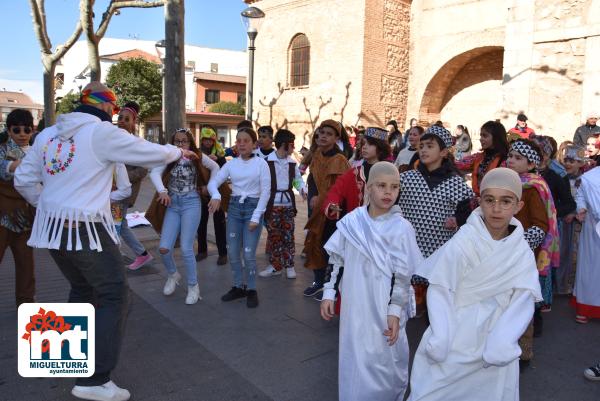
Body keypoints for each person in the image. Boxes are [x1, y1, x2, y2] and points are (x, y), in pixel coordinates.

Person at [14, 82, 196, 401]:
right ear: (107, 108)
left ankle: (68, 359)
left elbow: (23, 180)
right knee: (114, 294)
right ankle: (95, 381)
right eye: (113, 109)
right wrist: (177, 151)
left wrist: (50, 205)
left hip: (53, 233)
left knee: (83, 289)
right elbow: (146, 150)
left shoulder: (45, 135)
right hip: (86, 229)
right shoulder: (100, 132)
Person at [407, 168, 542, 401]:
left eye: (505, 201)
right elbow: (440, 289)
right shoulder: (463, 241)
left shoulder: (521, 252)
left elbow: (522, 300)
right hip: (455, 332)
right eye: (490, 200)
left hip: (496, 334)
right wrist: (441, 335)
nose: (497, 208)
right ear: (480, 202)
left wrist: (503, 340)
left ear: (518, 206)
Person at [321, 161, 422, 401]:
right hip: (355, 307)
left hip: (383, 307)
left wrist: (395, 310)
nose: (388, 192)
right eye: (382, 186)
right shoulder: (352, 223)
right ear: (369, 188)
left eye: (395, 187)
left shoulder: (402, 228)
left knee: (385, 360)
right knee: (355, 358)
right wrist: (328, 293)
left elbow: (402, 275)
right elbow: (337, 260)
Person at [149, 128, 220, 305]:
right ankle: (173, 274)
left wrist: (212, 189)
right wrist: (162, 191)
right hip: (173, 204)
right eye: (177, 141)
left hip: (191, 203)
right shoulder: (169, 156)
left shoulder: (197, 156)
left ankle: (193, 286)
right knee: (164, 248)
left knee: (187, 248)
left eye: (184, 141)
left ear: (190, 142)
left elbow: (216, 168)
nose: (180, 144)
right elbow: (154, 172)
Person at [208, 127, 271, 308]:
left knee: (249, 254)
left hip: (253, 209)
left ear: (254, 144)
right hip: (235, 209)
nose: (242, 144)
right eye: (239, 140)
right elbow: (214, 182)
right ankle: (238, 286)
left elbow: (265, 191)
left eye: (246, 140)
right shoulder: (231, 164)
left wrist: (257, 216)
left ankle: (251, 289)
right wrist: (216, 196)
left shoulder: (261, 164)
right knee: (234, 252)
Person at [506, 139, 558, 358]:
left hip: (522, 253)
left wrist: (517, 244)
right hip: (504, 250)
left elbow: (540, 224)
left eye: (518, 158)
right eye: (510, 156)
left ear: (530, 164)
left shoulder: (532, 188)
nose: (510, 160)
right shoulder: (510, 182)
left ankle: (524, 351)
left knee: (521, 301)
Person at [398, 125, 474, 259]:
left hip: (439, 253)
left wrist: (457, 219)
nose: (423, 150)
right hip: (405, 251)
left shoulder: (456, 184)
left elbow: (470, 211)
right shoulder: (405, 179)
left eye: (430, 146)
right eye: (421, 146)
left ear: (444, 152)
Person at [303, 120, 350, 298]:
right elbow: (312, 179)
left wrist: (323, 200)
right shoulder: (316, 156)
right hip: (315, 208)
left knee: (330, 247)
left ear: (337, 138)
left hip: (333, 211)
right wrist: (313, 195)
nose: (323, 136)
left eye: (329, 134)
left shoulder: (340, 160)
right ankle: (318, 281)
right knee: (315, 243)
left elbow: (341, 187)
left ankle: (332, 287)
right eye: (322, 133)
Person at [259, 129, 306, 279]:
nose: (294, 148)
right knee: (274, 236)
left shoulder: (292, 163)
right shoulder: (267, 162)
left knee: (288, 235)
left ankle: (289, 265)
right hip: (272, 205)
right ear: (284, 144)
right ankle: (275, 266)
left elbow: (297, 179)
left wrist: (303, 189)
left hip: (287, 205)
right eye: (292, 144)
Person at [0, 109, 36, 307]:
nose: (22, 133)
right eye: (17, 129)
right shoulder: (3, 149)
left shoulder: (37, 150)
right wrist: (20, 165)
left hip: (25, 217)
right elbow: (2, 169)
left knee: (26, 264)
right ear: (9, 130)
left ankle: (26, 302)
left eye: (27, 129)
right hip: (3, 215)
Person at [116, 101, 154, 270]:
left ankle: (118, 257)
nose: (122, 121)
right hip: (111, 191)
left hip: (123, 193)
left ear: (134, 122)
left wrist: (120, 179)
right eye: (120, 118)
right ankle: (141, 254)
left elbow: (142, 170)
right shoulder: (112, 139)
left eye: (126, 119)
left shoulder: (137, 143)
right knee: (119, 224)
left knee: (117, 224)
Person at [571, 163, 600, 324]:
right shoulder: (589, 177)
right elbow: (580, 195)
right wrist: (581, 208)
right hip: (592, 231)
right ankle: (585, 308)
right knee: (590, 269)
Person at [196, 126, 229, 265]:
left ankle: (223, 253)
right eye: (205, 140)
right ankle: (202, 251)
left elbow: (225, 172)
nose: (208, 143)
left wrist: (218, 160)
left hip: (217, 193)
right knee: (201, 223)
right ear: (202, 140)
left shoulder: (220, 154)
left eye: (210, 140)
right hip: (202, 193)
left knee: (219, 224)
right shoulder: (196, 154)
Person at [556, 143, 585, 295]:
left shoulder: (585, 181)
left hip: (577, 224)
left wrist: (574, 213)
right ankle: (560, 285)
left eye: (572, 161)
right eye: (566, 160)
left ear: (580, 163)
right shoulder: (562, 178)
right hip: (562, 222)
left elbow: (585, 202)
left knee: (575, 254)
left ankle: (572, 286)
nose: (567, 163)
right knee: (561, 252)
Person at [456, 120, 509, 196]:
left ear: (496, 137)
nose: (481, 139)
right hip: (477, 201)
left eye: (485, 136)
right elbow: (458, 165)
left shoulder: (506, 160)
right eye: (481, 135)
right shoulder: (478, 157)